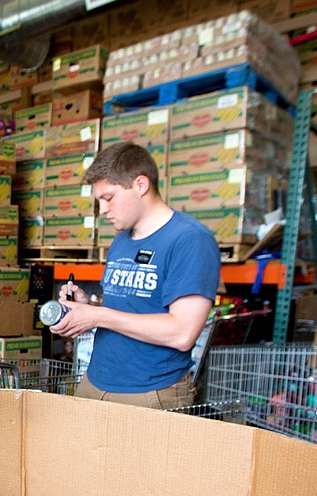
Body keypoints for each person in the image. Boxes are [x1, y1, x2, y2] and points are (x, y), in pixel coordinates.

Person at [49, 141, 220, 410]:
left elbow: (182, 332)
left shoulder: (190, 240)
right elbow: (131, 310)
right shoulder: (121, 241)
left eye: (108, 198)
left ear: (140, 185)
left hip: (150, 392)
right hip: (95, 382)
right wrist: (88, 308)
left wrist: (98, 316)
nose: (102, 210)